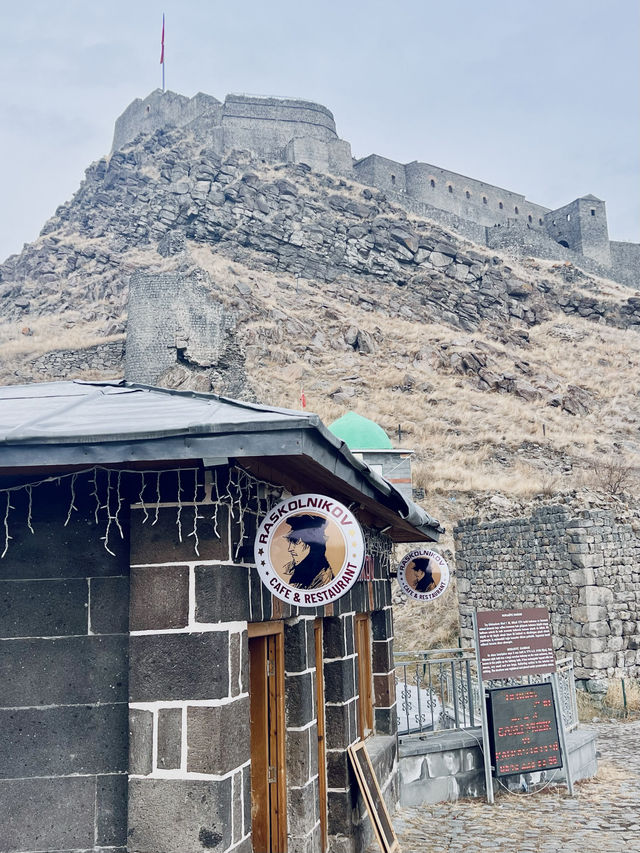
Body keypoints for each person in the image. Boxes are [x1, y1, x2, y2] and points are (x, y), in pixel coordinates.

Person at [282, 514, 333, 589]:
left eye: (295, 542)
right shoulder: (291, 568)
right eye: (290, 542)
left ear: (312, 545)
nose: (290, 549)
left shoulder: (322, 580)